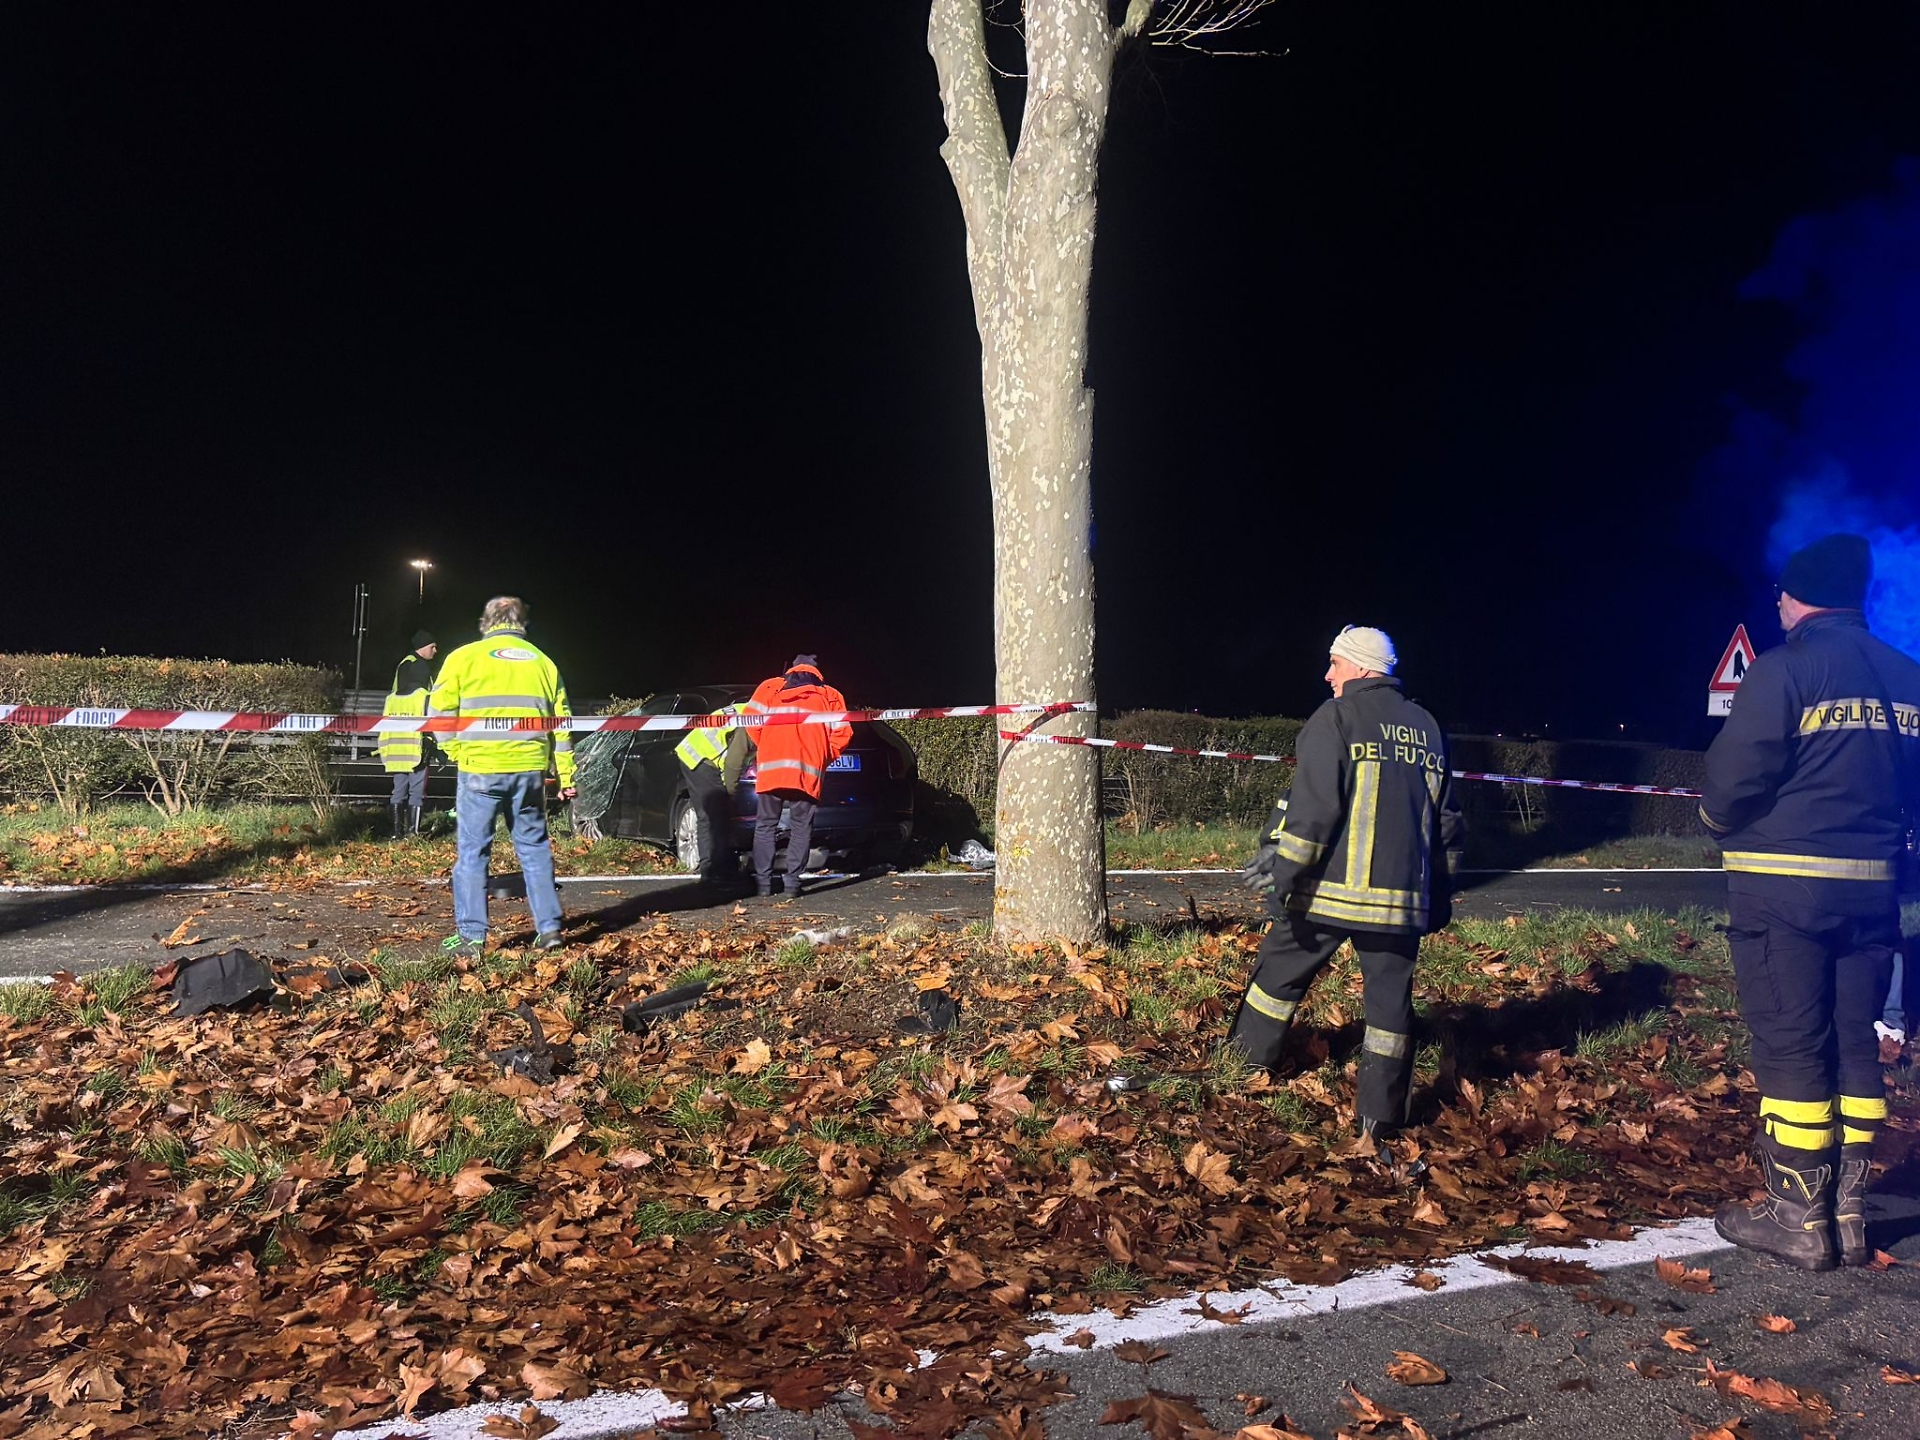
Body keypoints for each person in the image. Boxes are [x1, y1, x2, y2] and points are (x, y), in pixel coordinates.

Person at [1700, 533, 1920, 1270]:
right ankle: (1847, 1216)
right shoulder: (1908, 677)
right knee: (1854, 1039)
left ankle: (1797, 1216)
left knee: (1792, 1042)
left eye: (1781, 597)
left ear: (1798, 598)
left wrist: (1716, 821)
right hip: (1874, 895)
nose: (1779, 608)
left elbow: (1733, 781)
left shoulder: (1785, 669)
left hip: (1783, 891)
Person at [1227, 625, 1464, 1139]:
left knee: (1277, 977)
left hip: (1327, 897)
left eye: (1334, 663)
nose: (1327, 674)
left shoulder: (1335, 717)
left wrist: (1284, 877)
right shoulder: (1426, 726)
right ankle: (1380, 1121)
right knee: (1390, 1010)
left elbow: (1313, 813)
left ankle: (1244, 1069)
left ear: (1359, 666)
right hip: (1400, 906)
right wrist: (1440, 894)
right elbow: (1447, 821)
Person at [428, 597, 577, 955]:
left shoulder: (463, 658)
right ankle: (550, 930)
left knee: (473, 853)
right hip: (529, 770)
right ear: (522, 623)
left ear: (486, 622)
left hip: (480, 768)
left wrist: (457, 752)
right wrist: (566, 775)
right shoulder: (544, 663)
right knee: (535, 849)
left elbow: (439, 716)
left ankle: (471, 937)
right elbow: (562, 726)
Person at [748, 655, 851, 898]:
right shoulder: (831, 695)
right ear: (817, 672)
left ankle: (763, 884)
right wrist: (822, 757)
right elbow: (843, 734)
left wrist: (768, 746)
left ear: (792, 668)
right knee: (801, 827)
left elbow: (751, 722)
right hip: (807, 771)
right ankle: (792, 885)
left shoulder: (769, 687)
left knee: (765, 825)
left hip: (772, 769)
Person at [673, 700, 753, 882]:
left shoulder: (748, 709)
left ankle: (717, 869)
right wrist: (730, 793)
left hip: (699, 754)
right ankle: (711, 871)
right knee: (712, 816)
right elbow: (733, 763)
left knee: (713, 815)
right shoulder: (753, 721)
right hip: (700, 759)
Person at [377, 631, 437, 838]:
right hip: (416, 748)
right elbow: (431, 720)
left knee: (398, 790)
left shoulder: (392, 698)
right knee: (417, 790)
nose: (435, 651)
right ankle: (413, 833)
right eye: (432, 646)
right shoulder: (422, 695)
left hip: (396, 748)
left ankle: (396, 833)